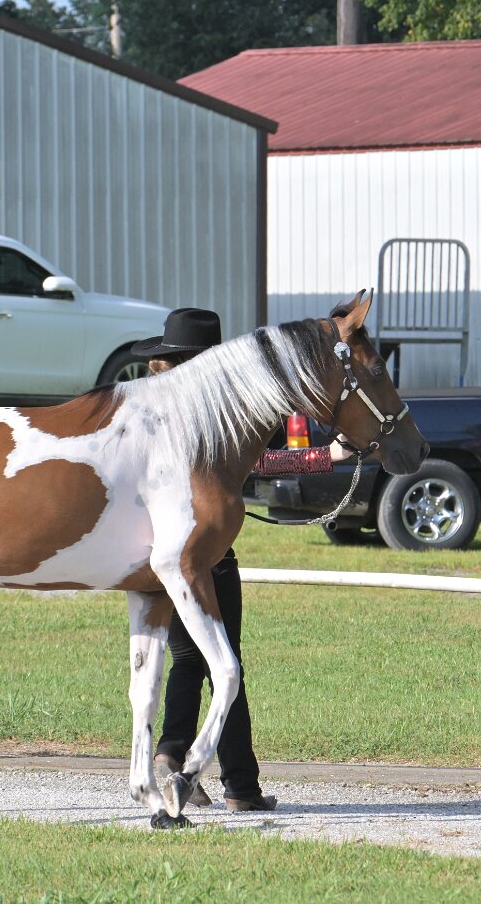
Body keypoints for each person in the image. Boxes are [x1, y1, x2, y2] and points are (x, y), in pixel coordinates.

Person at [131, 307, 349, 813]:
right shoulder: (215, 407)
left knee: (188, 660)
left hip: (151, 554)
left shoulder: (150, 409)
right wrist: (328, 456)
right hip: (208, 555)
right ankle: (240, 787)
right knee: (227, 664)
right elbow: (261, 462)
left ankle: (172, 750)